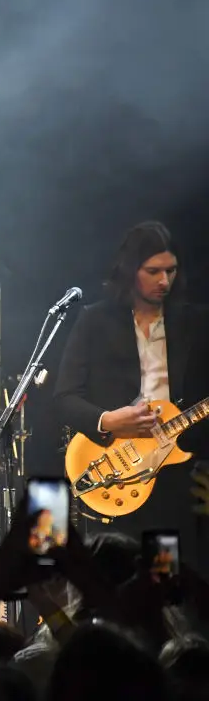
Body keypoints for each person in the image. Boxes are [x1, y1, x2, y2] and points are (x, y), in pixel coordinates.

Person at [54, 221, 209, 553]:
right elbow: (64, 397)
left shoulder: (196, 322)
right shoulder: (94, 321)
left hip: (181, 472)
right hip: (116, 467)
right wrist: (108, 421)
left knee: (173, 584)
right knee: (120, 583)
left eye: (171, 270)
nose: (164, 280)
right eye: (153, 271)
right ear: (129, 271)